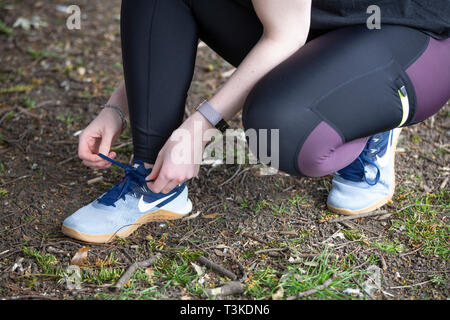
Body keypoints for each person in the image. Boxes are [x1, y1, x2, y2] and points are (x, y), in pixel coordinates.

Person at [62, 0, 450, 243]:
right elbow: (157, 29)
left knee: (282, 128)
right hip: (313, 18)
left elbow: (286, 34)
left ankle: (368, 113)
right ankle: (153, 180)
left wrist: (199, 127)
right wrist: (116, 109)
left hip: (403, 31)